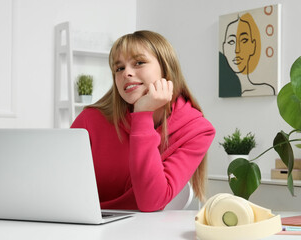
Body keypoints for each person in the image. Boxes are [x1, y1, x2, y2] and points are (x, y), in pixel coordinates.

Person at [71, 30, 215, 212]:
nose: (126, 73)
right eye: (119, 68)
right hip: (82, 224)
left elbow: (151, 202)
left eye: (139, 63)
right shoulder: (90, 120)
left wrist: (142, 115)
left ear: (166, 68)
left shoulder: (197, 130)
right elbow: (57, 183)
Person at [221, 13, 275, 96]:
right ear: (224, 48)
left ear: (252, 46)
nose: (237, 50)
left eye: (244, 40)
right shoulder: (223, 91)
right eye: (231, 42)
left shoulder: (266, 89)